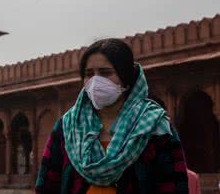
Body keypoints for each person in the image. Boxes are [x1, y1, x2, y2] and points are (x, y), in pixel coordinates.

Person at [35, 38, 189, 194]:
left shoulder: (155, 126)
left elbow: (174, 186)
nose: (95, 80)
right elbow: (47, 185)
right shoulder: (68, 127)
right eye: (89, 74)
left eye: (105, 73)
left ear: (126, 77)